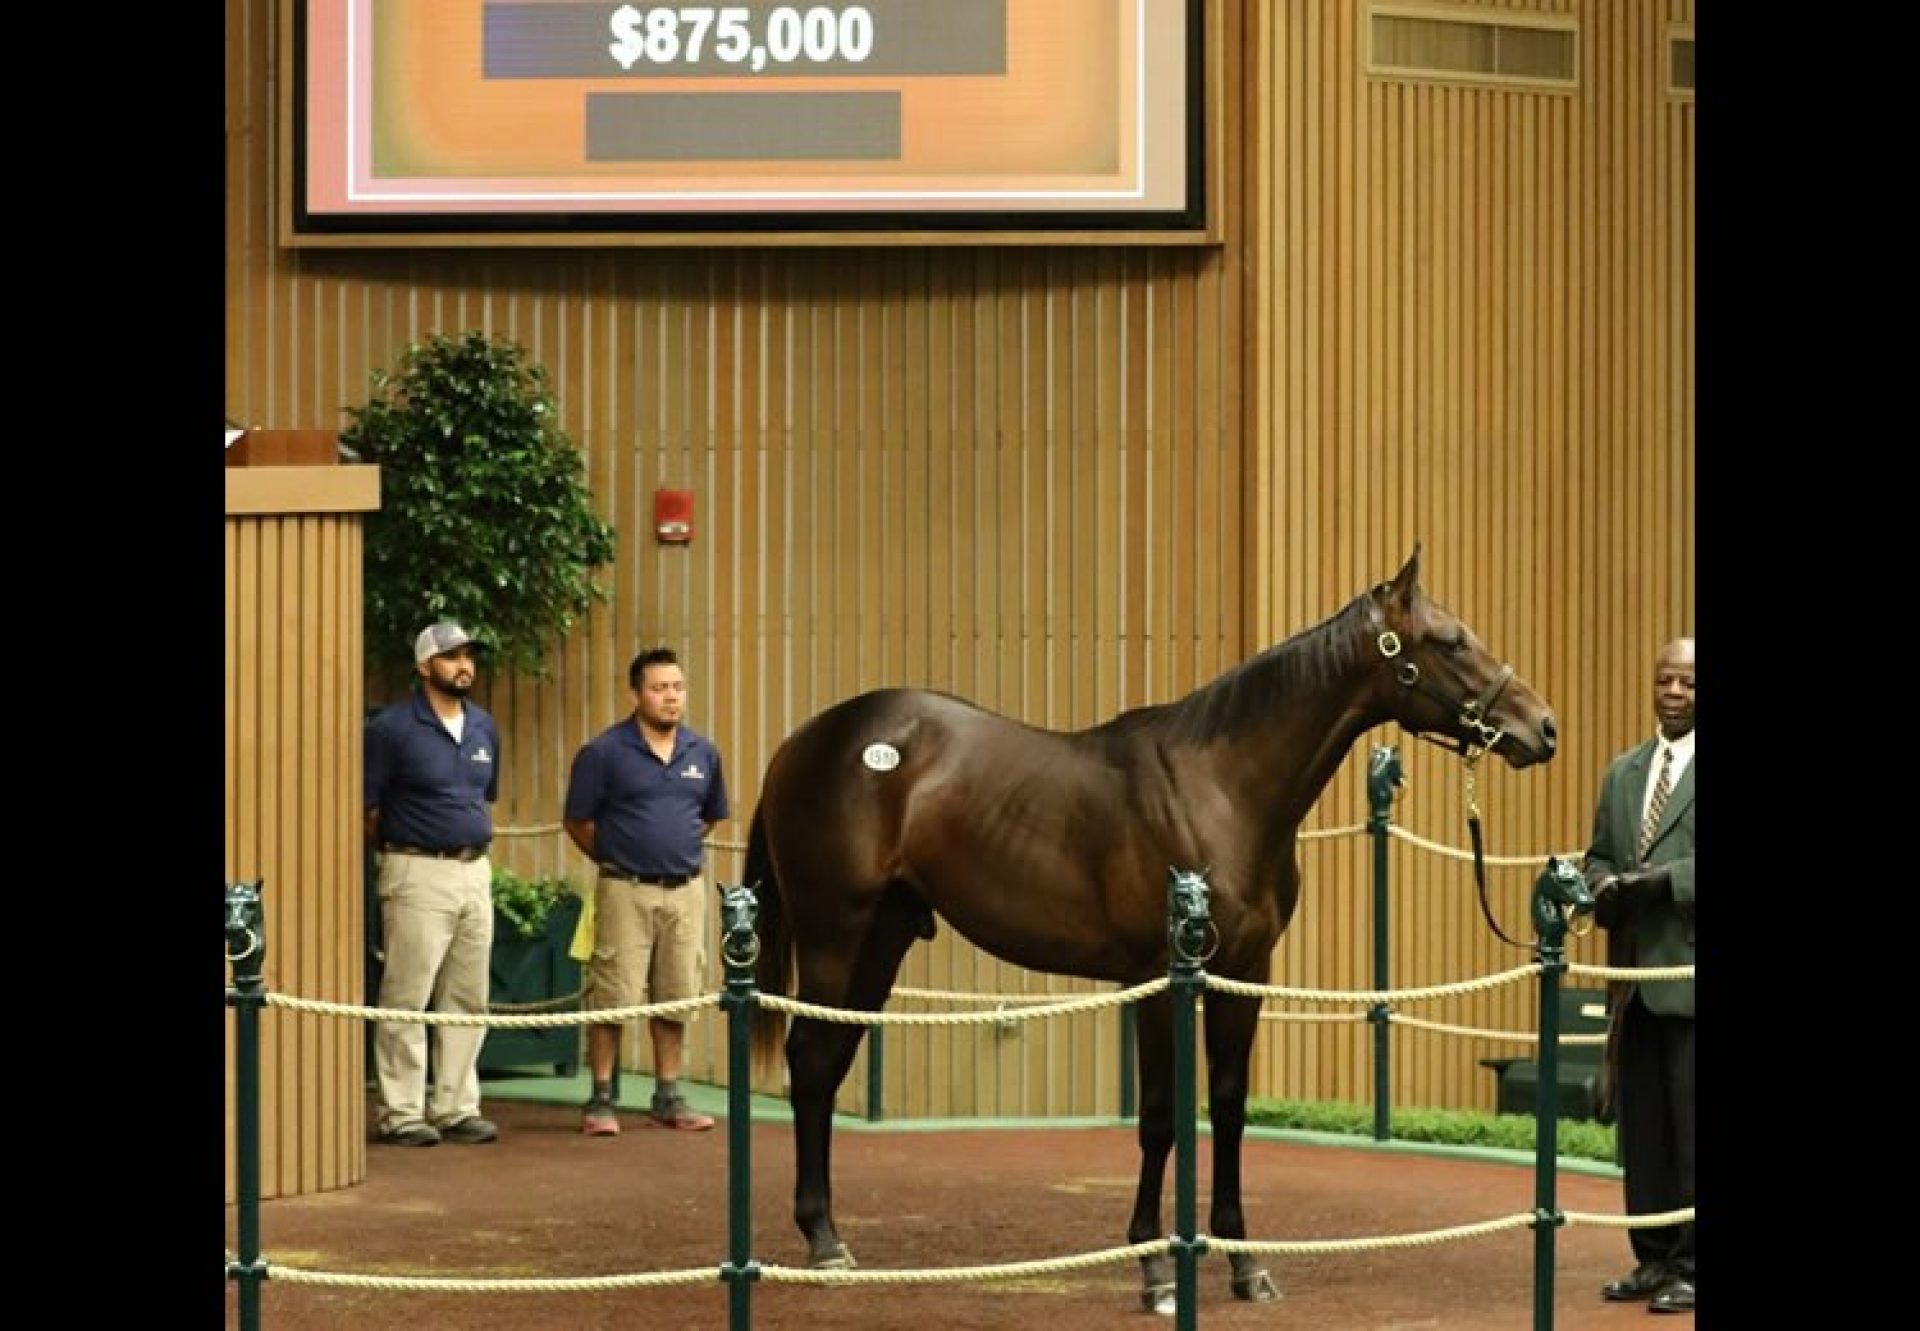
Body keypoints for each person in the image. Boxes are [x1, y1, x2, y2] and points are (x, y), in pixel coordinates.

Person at [564, 647, 730, 1135]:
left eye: (677, 687)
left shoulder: (703, 753)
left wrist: (673, 850)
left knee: (676, 995)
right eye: (659, 688)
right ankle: (600, 1098)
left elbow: (710, 817)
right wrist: (617, 855)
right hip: (624, 890)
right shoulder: (604, 753)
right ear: (636, 694)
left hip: (685, 891)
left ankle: (667, 1095)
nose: (671, 697)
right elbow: (577, 820)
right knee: (612, 996)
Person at [1583, 636, 1695, 1314]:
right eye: (1665, 680)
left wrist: (1667, 882)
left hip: (1689, 974)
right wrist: (1600, 886)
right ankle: (1653, 1256)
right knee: (1645, 1128)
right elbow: (1599, 854)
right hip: (1632, 981)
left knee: (1691, 1127)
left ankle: (1693, 1264)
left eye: (1688, 682)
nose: (1674, 692)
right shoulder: (1622, 772)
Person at [363, 622, 502, 1147]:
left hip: (475, 870)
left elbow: (484, 796)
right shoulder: (391, 729)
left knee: (469, 995)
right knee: (407, 993)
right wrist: (403, 852)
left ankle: (456, 1106)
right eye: (451, 656)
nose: (463, 665)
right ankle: (401, 1111)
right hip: (416, 868)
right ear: (424, 666)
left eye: (468, 656)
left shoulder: (484, 726)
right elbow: (368, 809)